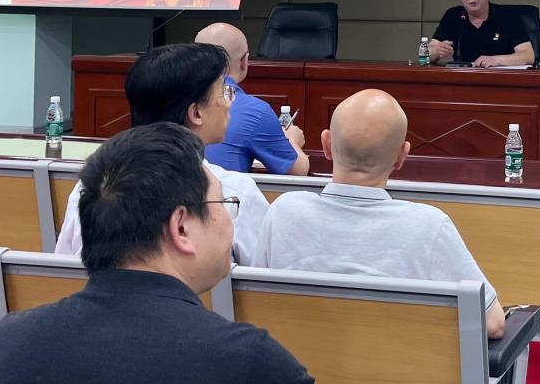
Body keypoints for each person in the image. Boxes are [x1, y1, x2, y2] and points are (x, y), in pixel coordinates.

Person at [0, 123, 316, 384]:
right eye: (224, 204)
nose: (229, 220)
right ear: (181, 227)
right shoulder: (251, 363)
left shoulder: (9, 342)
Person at [253, 89, 506, 339]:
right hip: (398, 365)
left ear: (326, 145)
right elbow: (492, 323)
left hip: (293, 364)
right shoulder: (428, 225)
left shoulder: (284, 211)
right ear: (401, 156)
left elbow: (253, 303)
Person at [56, 43, 268, 264]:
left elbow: (65, 269)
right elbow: (266, 281)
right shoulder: (235, 193)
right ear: (196, 113)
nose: (228, 103)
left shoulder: (95, 186)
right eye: (223, 92)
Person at [196, 22, 309, 175]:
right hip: (221, 190)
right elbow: (298, 171)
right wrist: (293, 141)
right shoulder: (255, 111)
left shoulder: (170, 97)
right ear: (245, 61)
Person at [427, 0, 535, 68]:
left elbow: (528, 55)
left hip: (502, 78)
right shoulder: (453, 16)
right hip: (463, 78)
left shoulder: (508, 16)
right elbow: (426, 53)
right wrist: (435, 52)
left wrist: (496, 60)